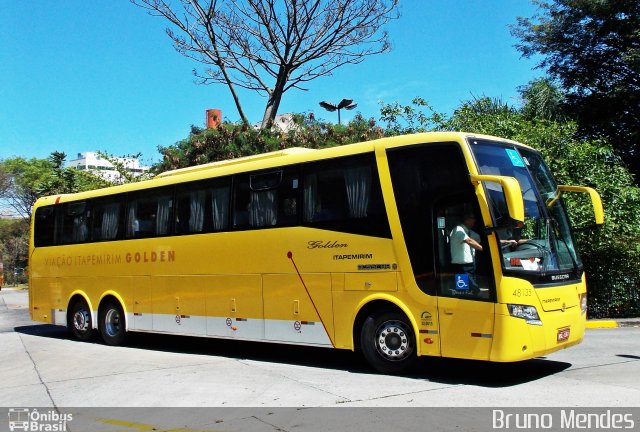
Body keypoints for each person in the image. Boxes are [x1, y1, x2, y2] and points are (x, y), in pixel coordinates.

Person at [450, 212, 483, 292]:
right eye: (473, 219)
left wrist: (506, 241)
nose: (474, 221)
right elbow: (468, 240)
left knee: (468, 290)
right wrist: (481, 248)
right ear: (466, 220)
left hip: (470, 265)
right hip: (461, 266)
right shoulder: (458, 229)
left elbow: (484, 241)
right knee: (468, 290)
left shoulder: (469, 232)